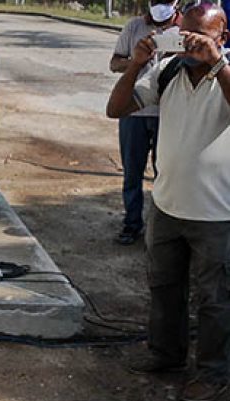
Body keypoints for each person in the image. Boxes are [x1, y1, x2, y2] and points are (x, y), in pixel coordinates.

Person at [106, 2, 230, 401]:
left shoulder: (227, 74)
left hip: (217, 213)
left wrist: (218, 65)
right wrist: (136, 64)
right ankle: (165, 353)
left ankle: (213, 372)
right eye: (185, 34)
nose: (189, 43)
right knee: (164, 287)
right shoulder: (168, 71)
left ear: (222, 38)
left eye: (200, 36)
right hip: (167, 206)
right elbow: (116, 109)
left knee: (214, 299)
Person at [109, 0, 180, 245]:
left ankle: (162, 230)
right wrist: (138, 60)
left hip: (169, 114)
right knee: (132, 173)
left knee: (166, 174)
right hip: (134, 112)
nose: (161, 5)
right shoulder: (135, 27)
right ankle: (131, 224)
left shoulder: (184, 31)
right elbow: (114, 63)